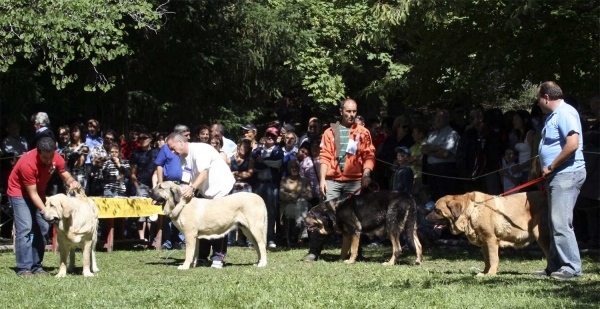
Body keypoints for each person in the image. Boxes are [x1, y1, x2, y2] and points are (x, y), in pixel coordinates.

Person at [303, 98, 375, 262]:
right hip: (333, 180)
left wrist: (366, 174)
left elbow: (369, 155)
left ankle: (356, 252)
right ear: (341, 111)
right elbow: (325, 158)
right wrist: (322, 179)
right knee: (323, 215)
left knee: (355, 217)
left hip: (354, 180)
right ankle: (314, 251)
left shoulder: (363, 132)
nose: (351, 115)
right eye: (348, 111)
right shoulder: (329, 132)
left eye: (354, 111)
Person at [532, 81, 586, 281]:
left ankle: (571, 267)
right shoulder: (554, 116)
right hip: (556, 175)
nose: (537, 103)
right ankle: (554, 266)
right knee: (554, 222)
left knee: (561, 222)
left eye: (538, 99)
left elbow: (572, 144)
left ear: (546, 97)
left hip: (567, 173)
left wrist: (552, 165)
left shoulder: (565, 113)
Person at [7, 137, 81, 276]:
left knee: (43, 227)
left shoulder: (55, 156)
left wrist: (72, 182)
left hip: (39, 192)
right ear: (38, 152)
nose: (48, 160)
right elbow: (32, 194)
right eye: (45, 157)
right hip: (19, 193)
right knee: (26, 228)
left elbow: (66, 176)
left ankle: (36, 266)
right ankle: (24, 268)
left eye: (51, 156)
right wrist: (46, 211)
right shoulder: (27, 163)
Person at [166, 132, 235, 268]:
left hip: (221, 188)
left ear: (181, 142)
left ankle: (217, 257)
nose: (173, 152)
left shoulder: (199, 150)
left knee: (220, 222)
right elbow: (186, 179)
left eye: (173, 148)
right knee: (202, 223)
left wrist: (191, 189)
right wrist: (182, 193)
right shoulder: (182, 158)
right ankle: (202, 257)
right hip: (205, 192)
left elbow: (204, 173)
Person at [155, 125, 188, 249]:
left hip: (182, 185)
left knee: (181, 211)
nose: (187, 137)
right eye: (185, 134)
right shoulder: (165, 148)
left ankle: (181, 241)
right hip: (168, 184)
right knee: (168, 213)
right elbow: (159, 165)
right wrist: (160, 184)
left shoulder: (187, 149)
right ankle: (167, 241)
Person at [252, 127, 284, 248]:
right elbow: (255, 164)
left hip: (271, 185)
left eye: (273, 136)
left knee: (271, 212)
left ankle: (270, 238)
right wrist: (268, 163)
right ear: (264, 136)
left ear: (276, 138)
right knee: (256, 212)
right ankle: (256, 238)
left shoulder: (278, 150)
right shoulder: (257, 150)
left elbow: (277, 163)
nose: (270, 137)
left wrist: (263, 161)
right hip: (259, 184)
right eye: (268, 135)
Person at [420, 109, 460, 200]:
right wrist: (437, 148)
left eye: (440, 117)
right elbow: (423, 149)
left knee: (445, 198)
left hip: (445, 170)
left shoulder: (452, 134)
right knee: (434, 197)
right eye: (436, 117)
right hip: (431, 170)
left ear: (447, 119)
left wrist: (430, 151)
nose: (437, 120)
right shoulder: (432, 134)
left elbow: (445, 154)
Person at [130, 131, 160, 241]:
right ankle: (142, 239)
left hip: (154, 185)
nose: (142, 140)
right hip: (141, 184)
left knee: (152, 212)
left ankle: (151, 238)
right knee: (141, 212)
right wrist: (137, 186)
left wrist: (156, 184)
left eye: (144, 138)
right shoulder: (136, 153)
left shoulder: (156, 152)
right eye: (140, 138)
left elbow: (159, 167)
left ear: (150, 139)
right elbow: (132, 172)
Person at [228, 138, 255, 247]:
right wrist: (237, 174)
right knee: (232, 214)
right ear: (238, 147)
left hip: (246, 188)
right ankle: (231, 240)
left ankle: (248, 240)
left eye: (247, 148)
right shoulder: (230, 159)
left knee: (246, 214)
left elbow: (249, 174)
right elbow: (227, 173)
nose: (245, 149)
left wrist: (236, 173)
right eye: (244, 147)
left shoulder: (250, 160)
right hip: (233, 188)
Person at [279, 160, 312, 245]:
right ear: (289, 169)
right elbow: (282, 195)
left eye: (296, 167)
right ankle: (301, 238)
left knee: (301, 202)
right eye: (292, 167)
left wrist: (291, 196)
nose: (294, 169)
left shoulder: (305, 181)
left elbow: (310, 195)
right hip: (289, 207)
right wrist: (297, 195)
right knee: (301, 205)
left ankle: (298, 225)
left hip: (303, 206)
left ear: (299, 168)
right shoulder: (284, 181)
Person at [61, 122, 89, 192]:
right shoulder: (67, 147)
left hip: (80, 177)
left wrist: (70, 162)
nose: (73, 133)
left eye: (76, 131)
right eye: (72, 131)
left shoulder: (84, 147)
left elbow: (80, 163)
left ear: (81, 132)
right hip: (68, 177)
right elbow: (63, 162)